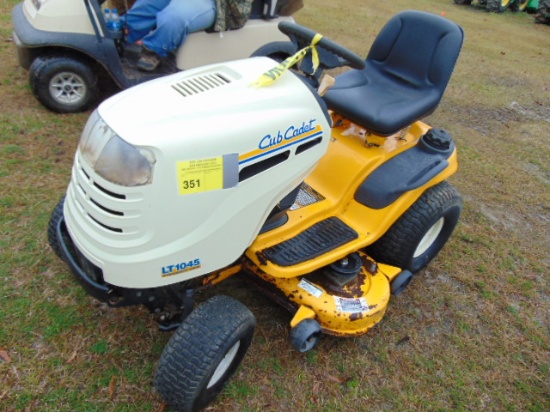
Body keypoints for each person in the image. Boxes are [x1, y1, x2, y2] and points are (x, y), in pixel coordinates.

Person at [124, 0, 253, 71]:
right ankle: (121, 35)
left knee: (173, 19)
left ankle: (154, 50)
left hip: (220, 3)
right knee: (141, 10)